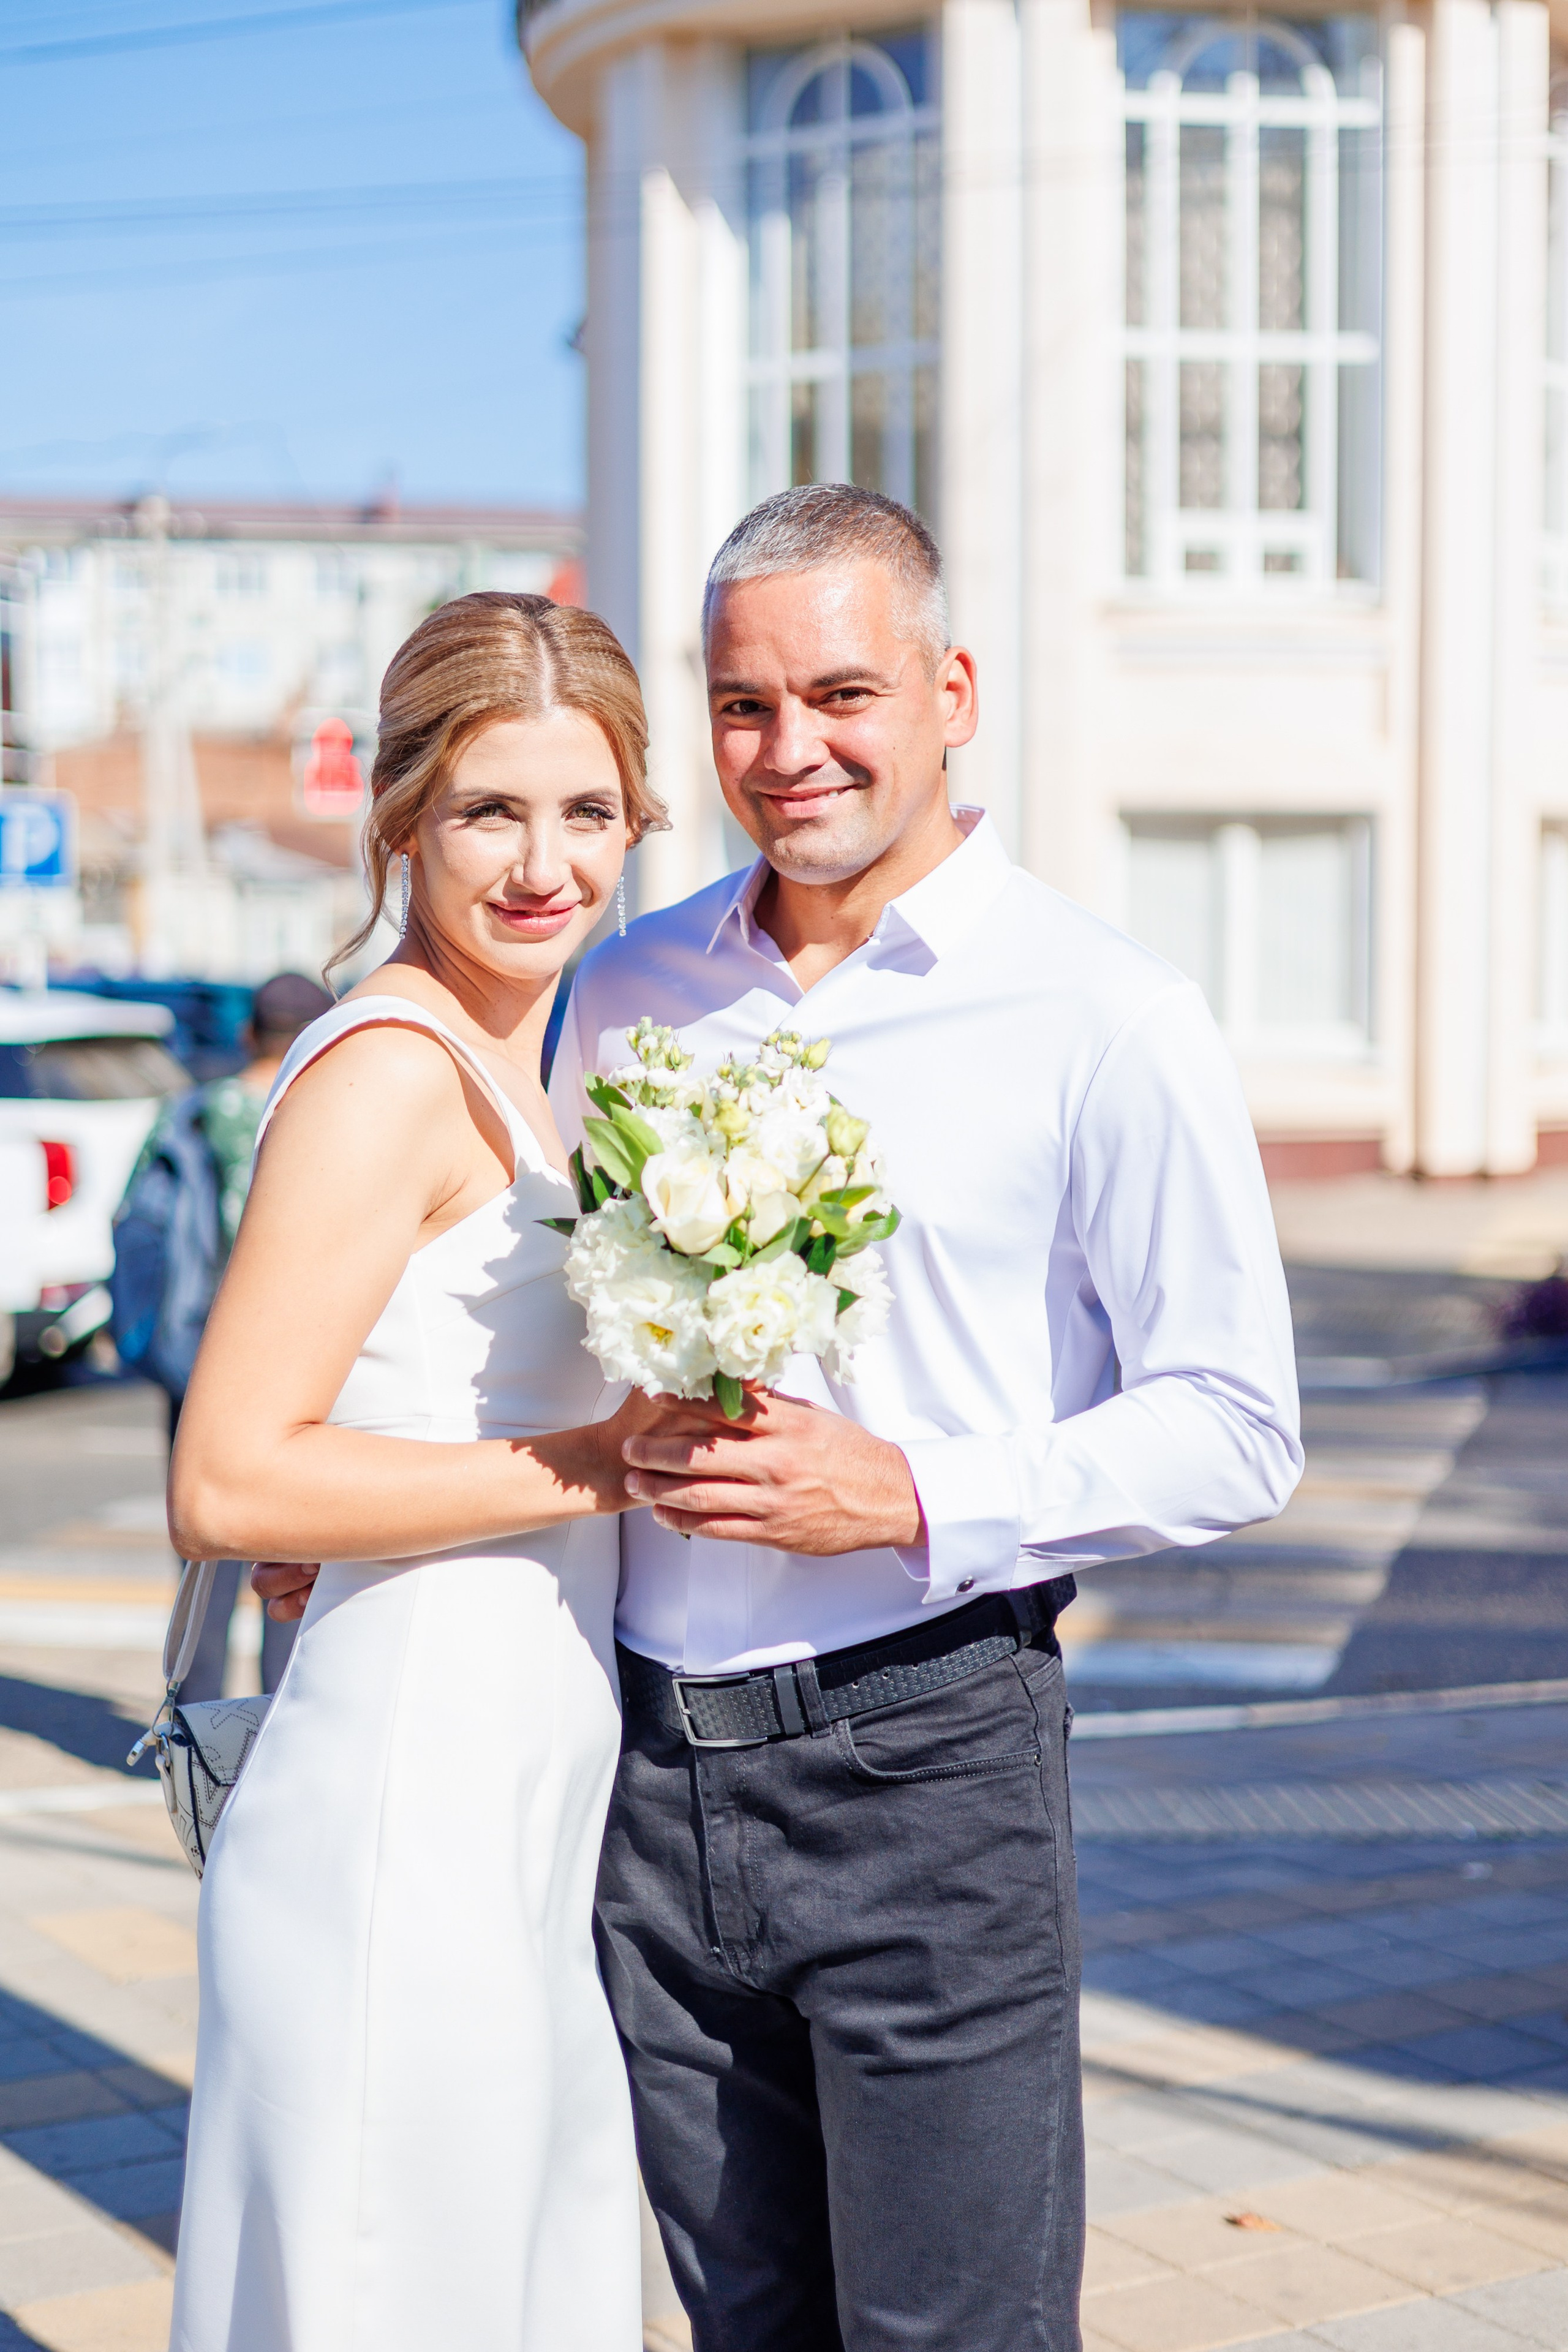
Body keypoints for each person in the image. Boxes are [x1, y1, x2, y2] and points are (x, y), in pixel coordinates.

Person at [260, 486, 1303, 2352]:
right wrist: (335, 1481)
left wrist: (916, 1490)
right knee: (745, 2323)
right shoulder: (630, 982)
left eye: (840, 692)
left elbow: (1237, 1420)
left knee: (949, 2333)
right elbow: (512, 1301)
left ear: (950, 686)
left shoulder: (1103, 1013)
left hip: (929, 1758)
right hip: (638, 1783)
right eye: (744, 705)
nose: (789, 748)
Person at [167, 592, 666, 2352]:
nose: (546, 863)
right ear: (400, 822)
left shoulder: (534, 1074)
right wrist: (602, 1467)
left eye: (587, 813)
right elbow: (228, 1482)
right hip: (401, 1812)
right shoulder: (389, 1073)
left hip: (517, 1803)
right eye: (490, 812)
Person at [113, 972, 333, 1703]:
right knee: (292, 1562)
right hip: (309, 1371)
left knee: (204, 1550)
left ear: (248, 1033)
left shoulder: (195, 1113)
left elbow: (136, 1221)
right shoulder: (328, 1113)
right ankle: (276, 1726)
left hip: (202, 1360)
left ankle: (195, 1730)